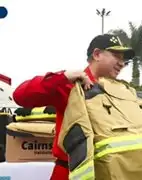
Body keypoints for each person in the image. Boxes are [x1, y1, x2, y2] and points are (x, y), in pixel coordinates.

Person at [12, 34, 135, 180]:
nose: (122, 63)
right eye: (116, 56)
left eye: (124, 60)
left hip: (109, 172)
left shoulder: (121, 92)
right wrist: (62, 77)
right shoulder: (71, 85)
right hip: (70, 173)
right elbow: (20, 96)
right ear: (97, 54)